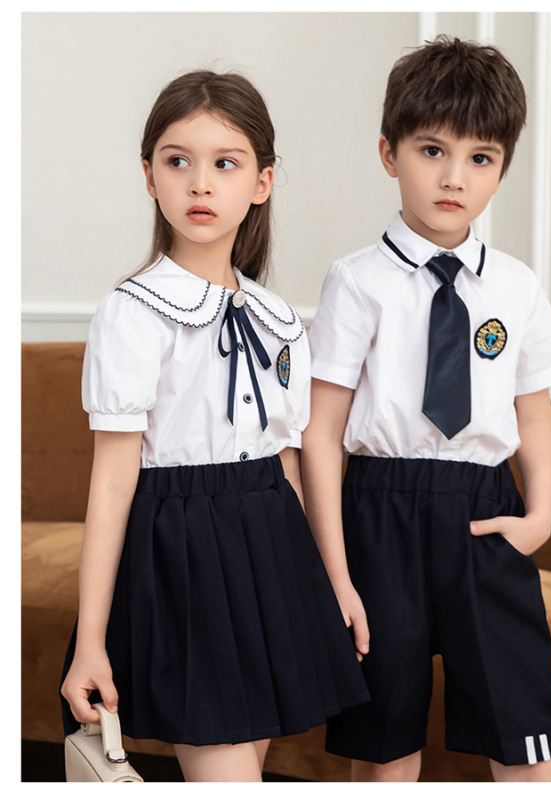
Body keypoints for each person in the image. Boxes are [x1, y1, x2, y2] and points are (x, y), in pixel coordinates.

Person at [60, 69, 369, 783]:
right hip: (183, 560)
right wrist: (91, 643)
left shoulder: (279, 320)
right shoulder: (132, 313)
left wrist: (330, 583)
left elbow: (289, 467)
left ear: (262, 182)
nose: (200, 184)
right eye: (178, 161)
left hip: (273, 553)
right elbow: (113, 482)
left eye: (225, 163)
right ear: (149, 176)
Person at [301, 36, 551, 783]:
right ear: (388, 154)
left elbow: (533, 412)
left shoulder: (515, 286)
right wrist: (337, 571)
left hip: (485, 512)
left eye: (480, 158)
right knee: (382, 747)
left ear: (502, 170)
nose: (454, 177)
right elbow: (320, 435)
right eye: (432, 151)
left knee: (525, 739)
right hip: (379, 513)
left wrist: (540, 517)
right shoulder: (356, 282)